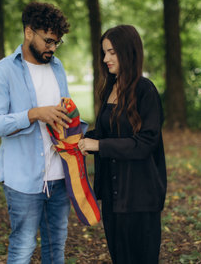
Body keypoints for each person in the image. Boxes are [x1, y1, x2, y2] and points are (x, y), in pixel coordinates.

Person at [0, 1, 86, 264]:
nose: (52, 48)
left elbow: (62, 112)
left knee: (56, 250)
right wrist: (33, 114)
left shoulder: (57, 67)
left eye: (57, 43)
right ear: (29, 32)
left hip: (59, 177)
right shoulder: (3, 71)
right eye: (49, 41)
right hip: (23, 180)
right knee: (22, 249)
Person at [78, 25, 167, 264]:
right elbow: (109, 132)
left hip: (140, 195)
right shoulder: (109, 87)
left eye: (112, 52)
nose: (105, 58)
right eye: (104, 52)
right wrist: (80, 138)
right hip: (113, 195)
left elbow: (145, 143)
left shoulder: (146, 91)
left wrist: (99, 146)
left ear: (128, 52)